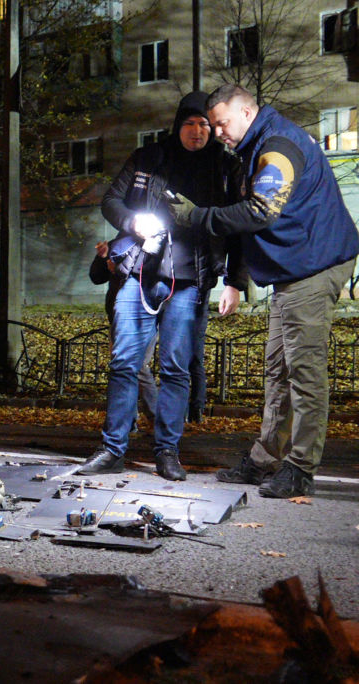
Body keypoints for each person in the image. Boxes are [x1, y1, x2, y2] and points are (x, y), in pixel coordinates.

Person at [172, 84, 359, 498]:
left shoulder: (277, 147)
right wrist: (238, 280)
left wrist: (197, 216)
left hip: (315, 265)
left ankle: (301, 467)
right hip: (295, 268)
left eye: (222, 123)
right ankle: (264, 459)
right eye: (214, 124)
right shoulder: (254, 146)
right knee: (278, 368)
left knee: (303, 370)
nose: (217, 132)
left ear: (247, 112)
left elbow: (261, 210)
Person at [79, 91, 245, 481]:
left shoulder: (224, 166)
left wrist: (235, 282)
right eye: (190, 123)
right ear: (178, 125)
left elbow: (238, 228)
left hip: (190, 282)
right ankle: (112, 448)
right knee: (123, 363)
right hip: (139, 275)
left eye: (205, 124)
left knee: (175, 369)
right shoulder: (149, 158)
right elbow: (111, 200)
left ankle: (167, 451)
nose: (198, 131)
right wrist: (134, 223)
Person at [89, 240, 157, 428]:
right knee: (123, 366)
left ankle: (152, 417)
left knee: (139, 365)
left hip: (146, 313)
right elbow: (96, 276)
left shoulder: (157, 241)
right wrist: (102, 258)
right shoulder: (119, 243)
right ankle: (129, 420)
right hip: (119, 316)